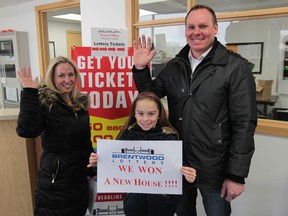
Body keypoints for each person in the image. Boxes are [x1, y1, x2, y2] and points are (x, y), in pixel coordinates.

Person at [131, 4, 257, 216]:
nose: (196, 32)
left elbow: (244, 124)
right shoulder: (175, 65)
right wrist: (141, 69)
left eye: (203, 26)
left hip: (214, 169)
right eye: (191, 27)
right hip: (179, 165)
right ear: (185, 30)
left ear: (215, 28)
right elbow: (149, 96)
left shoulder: (236, 67)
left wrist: (236, 175)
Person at [88, 92, 197, 216]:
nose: (145, 119)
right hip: (134, 205)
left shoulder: (170, 137)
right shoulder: (126, 136)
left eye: (151, 114)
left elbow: (180, 171)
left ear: (159, 114)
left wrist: (190, 177)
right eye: (140, 114)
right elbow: (113, 169)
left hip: (162, 205)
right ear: (134, 114)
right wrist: (98, 164)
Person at [16, 56, 96, 216]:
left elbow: (84, 140)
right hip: (55, 183)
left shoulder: (79, 103)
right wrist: (30, 92)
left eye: (71, 74)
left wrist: (92, 165)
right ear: (52, 78)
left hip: (78, 181)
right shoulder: (45, 103)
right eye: (61, 76)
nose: (67, 80)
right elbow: (27, 130)